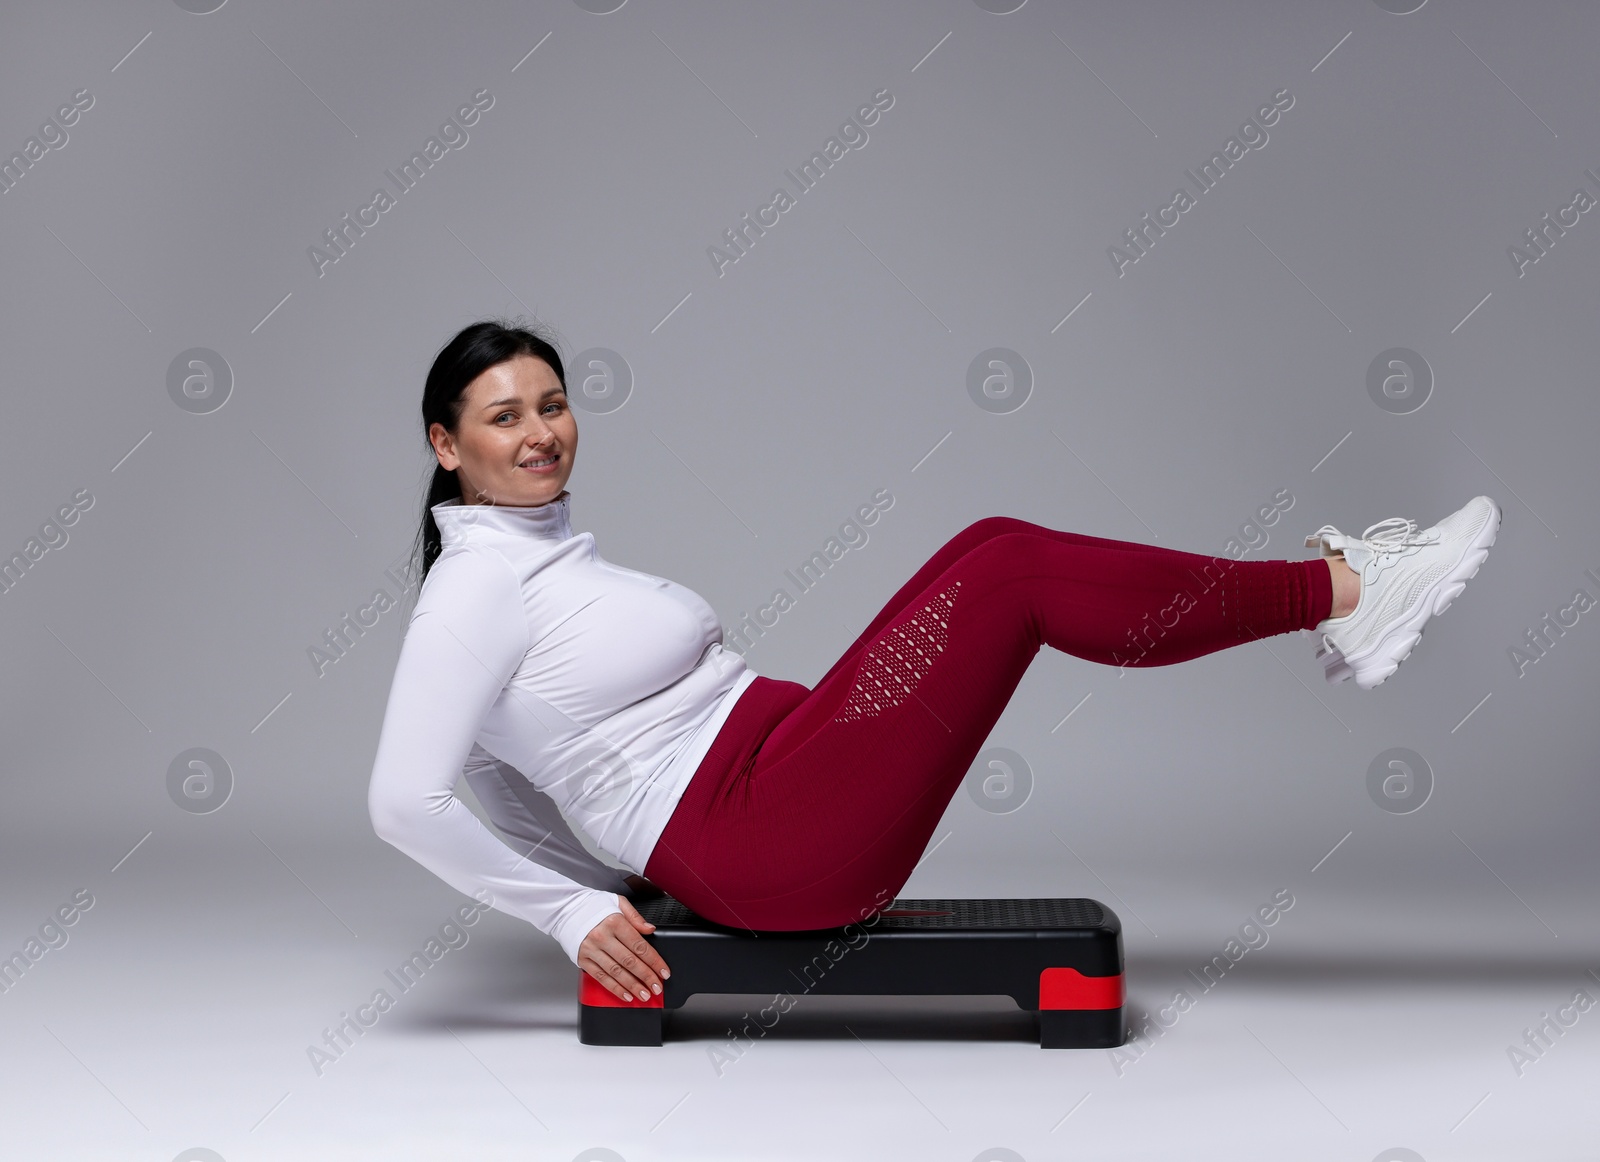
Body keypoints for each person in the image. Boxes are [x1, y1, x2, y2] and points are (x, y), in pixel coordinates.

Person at [367, 320, 1502, 1008]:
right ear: (445, 444)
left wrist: (612, 884)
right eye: (505, 416)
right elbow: (403, 798)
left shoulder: (533, 554)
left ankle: (1347, 596)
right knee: (1010, 577)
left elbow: (499, 763)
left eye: (553, 404)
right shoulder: (475, 583)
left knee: (987, 547)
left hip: (777, 778)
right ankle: (1348, 595)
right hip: (767, 833)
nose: (541, 434)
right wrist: (567, 913)